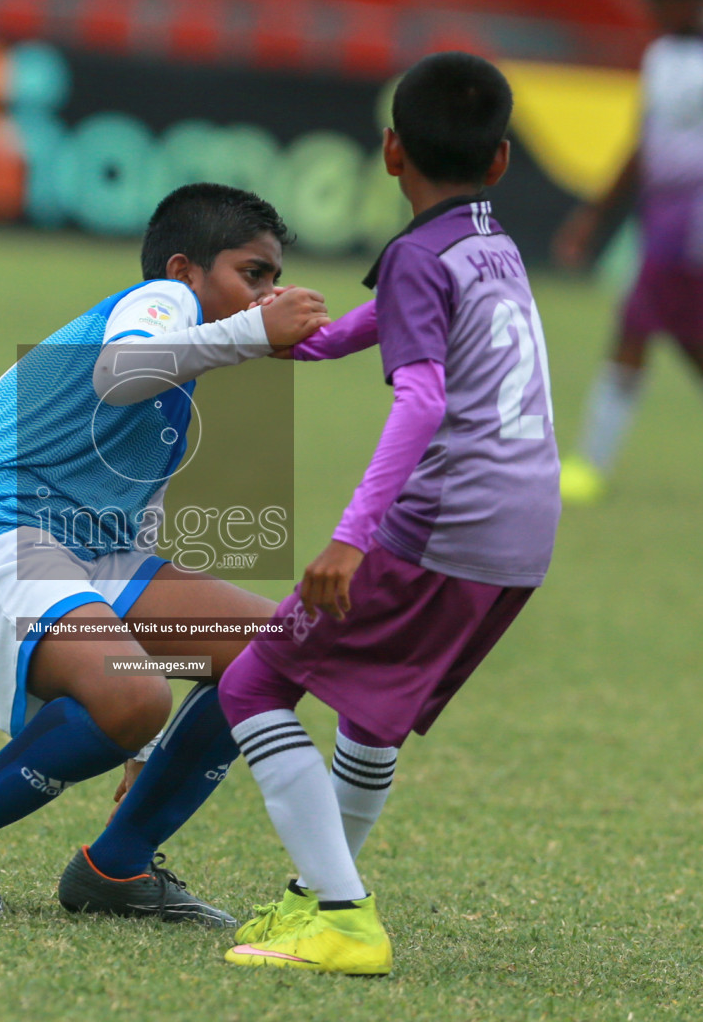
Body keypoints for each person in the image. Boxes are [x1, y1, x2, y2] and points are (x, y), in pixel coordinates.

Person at [0, 183, 330, 923]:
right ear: (186, 268)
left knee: (276, 648)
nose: (269, 292)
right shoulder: (159, 302)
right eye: (252, 274)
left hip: (77, 552)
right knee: (131, 694)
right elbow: (120, 369)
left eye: (274, 277)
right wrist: (257, 333)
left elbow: (140, 533)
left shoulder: (183, 381)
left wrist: (145, 751)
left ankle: (117, 869)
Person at [215, 52, 560, 976]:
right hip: (522, 532)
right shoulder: (490, 237)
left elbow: (422, 398)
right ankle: (317, 898)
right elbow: (420, 323)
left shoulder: (414, 252)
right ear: (500, 161)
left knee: (250, 687)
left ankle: (343, 917)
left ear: (388, 150)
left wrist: (349, 538)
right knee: (371, 717)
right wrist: (313, 343)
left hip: (444, 524)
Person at [553, 0, 703, 518]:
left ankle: (589, 467)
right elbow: (644, 146)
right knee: (694, 341)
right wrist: (595, 216)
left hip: (697, 221)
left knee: (637, 329)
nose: (653, 10)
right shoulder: (662, 54)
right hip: (661, 216)